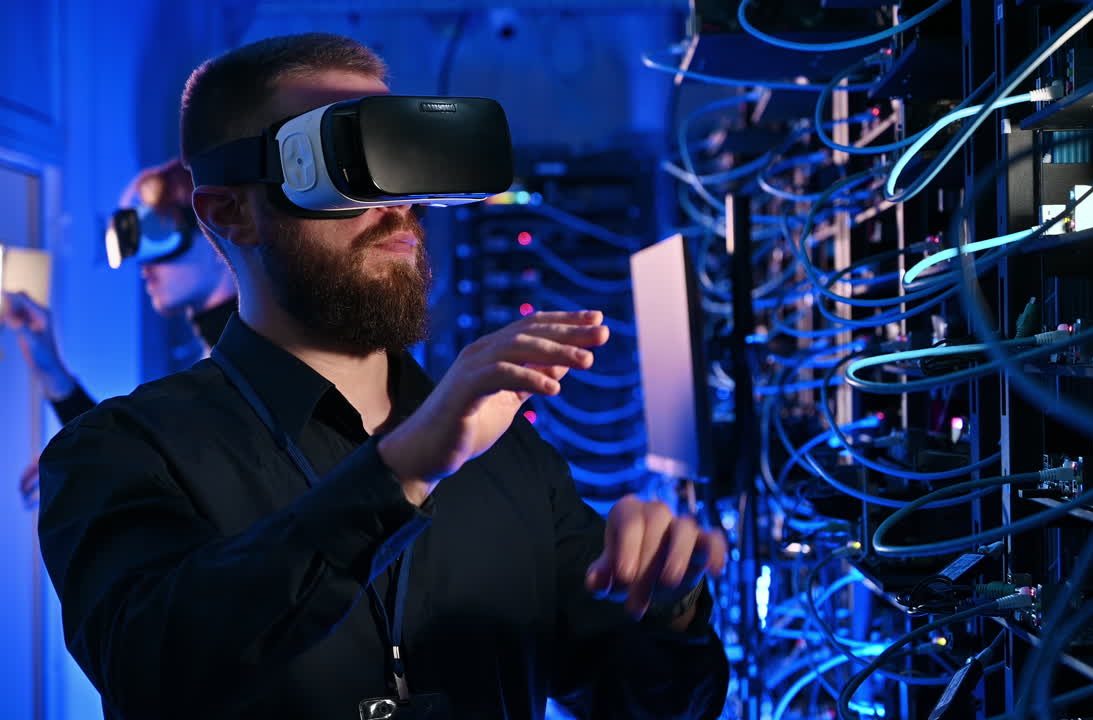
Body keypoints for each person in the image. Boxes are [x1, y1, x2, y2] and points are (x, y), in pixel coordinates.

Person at [38, 32, 729, 720]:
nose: (397, 203)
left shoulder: (508, 456)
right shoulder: (121, 452)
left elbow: (652, 704)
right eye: (347, 162)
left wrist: (670, 605)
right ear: (231, 213)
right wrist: (401, 472)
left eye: (399, 160)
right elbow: (152, 671)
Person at [5, 158, 236, 503]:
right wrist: (53, 372)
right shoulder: (224, 357)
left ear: (217, 230)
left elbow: (166, 476)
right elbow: (149, 462)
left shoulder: (249, 363)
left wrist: (86, 459)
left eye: (158, 231)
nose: (142, 263)